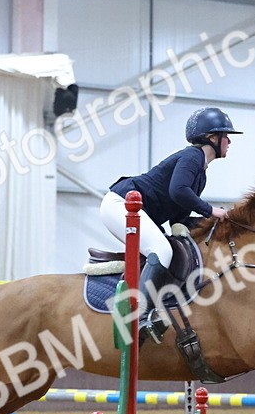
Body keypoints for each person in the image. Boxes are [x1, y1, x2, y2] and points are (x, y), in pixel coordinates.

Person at [99, 106, 241, 344]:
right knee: (161, 250)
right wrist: (210, 210)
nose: (229, 141)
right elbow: (178, 191)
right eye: (226, 136)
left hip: (130, 207)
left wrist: (214, 222)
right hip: (120, 204)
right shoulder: (192, 156)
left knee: (168, 248)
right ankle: (140, 316)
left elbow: (180, 216)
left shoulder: (200, 173)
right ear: (212, 138)